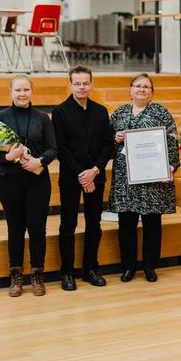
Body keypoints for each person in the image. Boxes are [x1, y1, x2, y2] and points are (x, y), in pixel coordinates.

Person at [0, 74, 57, 297]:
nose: (22, 94)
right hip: (9, 179)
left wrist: (40, 161)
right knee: (15, 228)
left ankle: (37, 274)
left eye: (26, 90)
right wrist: (8, 156)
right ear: (10, 92)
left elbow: (52, 148)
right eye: (18, 90)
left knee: (37, 229)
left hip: (37, 180)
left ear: (32, 92)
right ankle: (16, 275)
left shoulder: (42, 118)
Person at [109, 73, 180, 283]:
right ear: (130, 89)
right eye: (138, 86)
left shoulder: (161, 112)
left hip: (153, 176)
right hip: (125, 178)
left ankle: (150, 266)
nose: (141, 89)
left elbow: (172, 139)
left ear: (152, 92)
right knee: (126, 222)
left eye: (146, 87)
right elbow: (104, 141)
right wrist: (114, 138)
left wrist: (171, 166)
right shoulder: (119, 113)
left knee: (152, 222)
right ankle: (128, 266)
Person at [52, 65, 114, 291]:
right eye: (77, 83)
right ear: (70, 85)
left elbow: (107, 146)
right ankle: (67, 272)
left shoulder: (101, 111)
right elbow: (60, 148)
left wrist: (95, 171)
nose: (81, 87)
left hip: (95, 176)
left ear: (91, 84)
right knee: (68, 224)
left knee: (94, 223)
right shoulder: (59, 112)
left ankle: (90, 269)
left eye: (85, 83)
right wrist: (82, 175)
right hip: (71, 177)